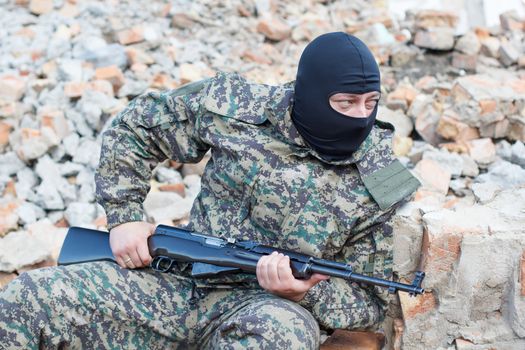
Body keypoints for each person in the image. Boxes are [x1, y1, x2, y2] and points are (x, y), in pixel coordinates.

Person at [0, 32, 419, 349]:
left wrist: (306, 292)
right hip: (174, 280)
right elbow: (136, 129)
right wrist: (125, 215)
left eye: (370, 102)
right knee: (27, 298)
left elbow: (372, 300)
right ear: (310, 92)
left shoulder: (381, 180)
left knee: (281, 338)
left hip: (266, 309)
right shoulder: (235, 107)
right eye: (344, 102)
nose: (360, 117)